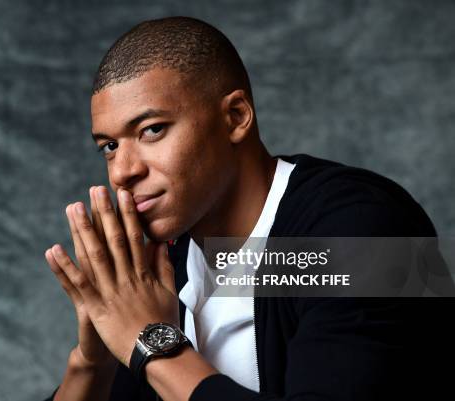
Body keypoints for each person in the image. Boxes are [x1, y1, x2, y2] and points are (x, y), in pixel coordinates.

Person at [43, 16, 453, 401]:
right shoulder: (173, 260)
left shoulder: (367, 225)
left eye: (152, 130)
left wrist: (151, 341)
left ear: (236, 117)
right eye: (110, 146)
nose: (123, 172)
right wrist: (93, 363)